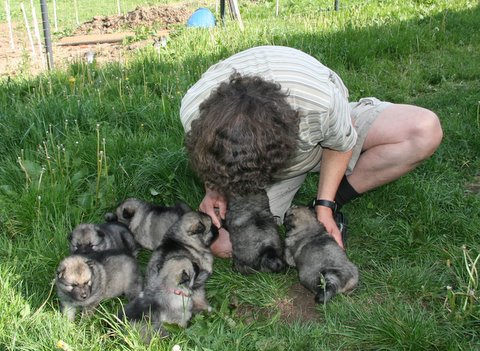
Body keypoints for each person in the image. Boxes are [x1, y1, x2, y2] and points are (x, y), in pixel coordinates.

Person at [180, 45, 443, 258]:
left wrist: (325, 207)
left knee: (423, 130)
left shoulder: (319, 104)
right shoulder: (195, 111)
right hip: (272, 142)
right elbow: (212, 157)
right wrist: (214, 189)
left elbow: (340, 144)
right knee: (224, 245)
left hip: (324, 128)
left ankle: (330, 198)